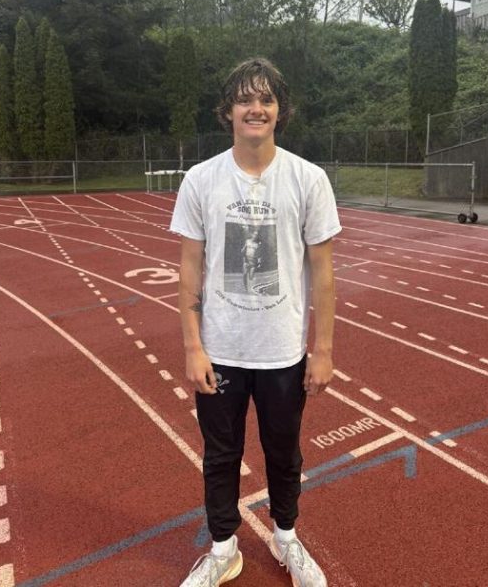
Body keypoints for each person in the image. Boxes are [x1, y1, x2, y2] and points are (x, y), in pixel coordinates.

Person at [169, 57, 340, 587]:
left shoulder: (308, 179)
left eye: (266, 99)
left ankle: (286, 538)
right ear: (228, 111)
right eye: (245, 99)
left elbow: (324, 273)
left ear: (280, 111)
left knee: (284, 453)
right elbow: (190, 267)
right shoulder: (201, 180)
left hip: (283, 352)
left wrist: (323, 350)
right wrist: (193, 347)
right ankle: (224, 549)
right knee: (221, 456)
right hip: (221, 351)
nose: (256, 108)